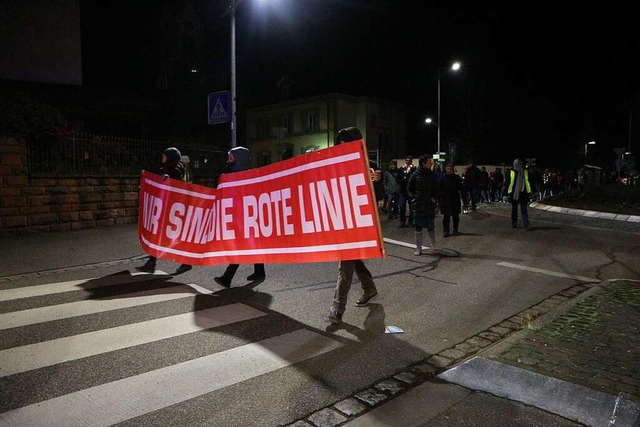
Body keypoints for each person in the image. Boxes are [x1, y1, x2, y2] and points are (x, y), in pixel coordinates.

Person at [328, 127, 381, 324]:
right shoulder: (333, 165)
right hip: (342, 221)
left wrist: (375, 183)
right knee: (354, 260)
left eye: (346, 144)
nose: (343, 148)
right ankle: (369, 288)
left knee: (345, 266)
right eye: (340, 145)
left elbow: (378, 197)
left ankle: (337, 308)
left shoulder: (369, 165)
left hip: (358, 224)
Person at [213, 146, 266, 288]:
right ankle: (259, 272)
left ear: (238, 159)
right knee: (251, 245)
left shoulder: (243, 175)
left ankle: (227, 277)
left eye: (231, 157)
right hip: (238, 215)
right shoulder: (231, 173)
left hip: (243, 217)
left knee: (239, 246)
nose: (228, 159)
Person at [136, 147, 193, 275]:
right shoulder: (166, 169)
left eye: (165, 156)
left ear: (171, 158)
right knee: (159, 235)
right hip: (167, 208)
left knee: (172, 237)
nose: (162, 157)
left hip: (174, 210)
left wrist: (169, 180)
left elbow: (179, 187)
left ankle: (185, 262)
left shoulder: (178, 171)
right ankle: (152, 263)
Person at [407, 154, 438, 255]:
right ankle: (418, 248)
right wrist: (413, 199)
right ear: (423, 163)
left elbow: (435, 188)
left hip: (429, 204)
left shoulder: (431, 175)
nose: (431, 164)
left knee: (431, 226)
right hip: (418, 205)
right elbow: (409, 189)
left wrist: (434, 198)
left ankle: (434, 246)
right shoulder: (415, 175)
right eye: (430, 162)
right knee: (418, 227)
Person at [438, 164, 463, 237]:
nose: (449, 170)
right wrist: (440, 197)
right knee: (446, 217)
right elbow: (439, 189)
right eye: (447, 169)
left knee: (455, 216)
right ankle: (446, 230)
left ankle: (455, 229)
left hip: (455, 199)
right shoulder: (443, 178)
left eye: (450, 169)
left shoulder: (457, 178)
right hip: (446, 200)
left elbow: (461, 188)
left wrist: (465, 201)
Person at [507, 158, 532, 229]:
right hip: (514, 193)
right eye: (518, 164)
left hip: (523, 192)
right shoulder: (511, 171)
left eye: (521, 164)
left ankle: (526, 223)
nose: (520, 165)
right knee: (515, 209)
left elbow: (528, 181)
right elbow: (508, 183)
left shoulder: (525, 171)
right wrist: (507, 193)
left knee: (524, 209)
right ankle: (514, 222)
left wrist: (529, 191)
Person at [397, 155, 417, 228]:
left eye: (409, 160)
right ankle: (402, 221)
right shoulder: (401, 169)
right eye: (406, 160)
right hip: (403, 191)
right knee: (402, 206)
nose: (408, 162)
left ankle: (411, 221)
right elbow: (398, 178)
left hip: (411, 191)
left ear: (411, 161)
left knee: (412, 207)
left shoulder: (414, 169)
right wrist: (401, 182)